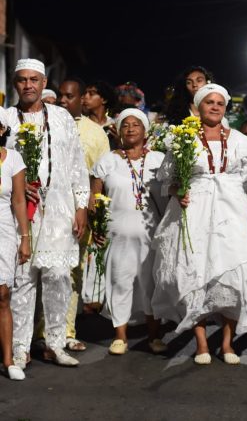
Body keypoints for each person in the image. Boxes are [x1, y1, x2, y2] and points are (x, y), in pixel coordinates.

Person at [152, 84, 247, 365]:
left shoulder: (241, 141)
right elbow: (168, 181)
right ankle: (201, 343)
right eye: (209, 102)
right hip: (194, 211)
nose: (215, 107)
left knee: (234, 274)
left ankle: (227, 343)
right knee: (194, 271)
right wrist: (179, 192)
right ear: (198, 106)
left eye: (220, 103)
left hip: (232, 210)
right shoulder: (183, 138)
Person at [5, 59, 90, 368]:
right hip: (19, 213)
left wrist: (81, 206)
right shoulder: (5, 119)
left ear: (43, 83)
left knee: (57, 277)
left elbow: (77, 164)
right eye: (22, 80)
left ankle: (55, 343)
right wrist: (16, 182)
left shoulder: (62, 117)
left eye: (34, 80)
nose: (28, 85)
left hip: (59, 209)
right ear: (15, 84)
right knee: (22, 280)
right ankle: (19, 347)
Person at [91, 108, 167, 355]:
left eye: (136, 124)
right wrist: (96, 226)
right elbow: (94, 198)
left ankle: (154, 336)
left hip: (151, 233)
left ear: (146, 131)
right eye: (125, 125)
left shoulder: (158, 160)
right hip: (117, 232)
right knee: (119, 281)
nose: (131, 128)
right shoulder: (108, 160)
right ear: (118, 131)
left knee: (150, 284)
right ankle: (120, 336)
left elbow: (171, 195)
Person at [52, 77, 110, 349]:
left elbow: (101, 179)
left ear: (79, 100)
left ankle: (67, 332)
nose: (63, 101)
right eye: (60, 96)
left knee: (72, 272)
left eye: (69, 96)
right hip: (46, 209)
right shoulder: (44, 122)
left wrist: (95, 216)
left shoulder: (95, 133)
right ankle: (39, 333)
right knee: (45, 271)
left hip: (79, 212)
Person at [0, 109, 30, 380]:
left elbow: (19, 201)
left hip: (4, 231)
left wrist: (25, 238)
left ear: (1, 130)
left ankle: (9, 360)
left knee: (3, 295)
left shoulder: (13, 158)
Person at [83, 81, 119, 149]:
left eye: (91, 94)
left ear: (104, 100)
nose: (85, 97)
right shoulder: (81, 123)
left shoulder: (113, 126)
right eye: (85, 93)